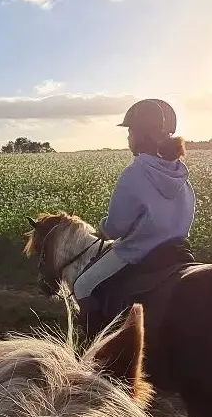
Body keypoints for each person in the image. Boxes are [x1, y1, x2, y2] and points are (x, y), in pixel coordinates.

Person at [72, 98, 196, 334]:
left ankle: (94, 346)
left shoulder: (135, 172)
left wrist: (103, 228)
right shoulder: (180, 171)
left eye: (130, 131)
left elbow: (116, 229)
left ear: (141, 135)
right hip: (179, 250)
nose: (128, 137)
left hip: (139, 253)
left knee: (82, 285)